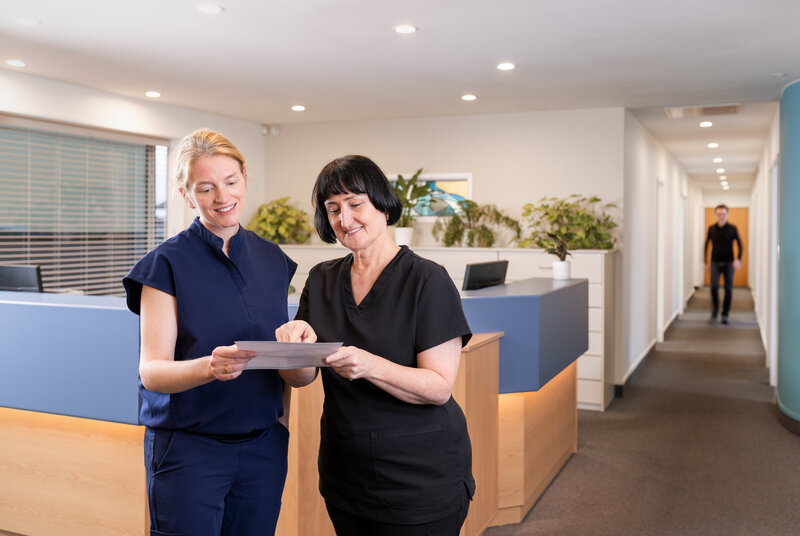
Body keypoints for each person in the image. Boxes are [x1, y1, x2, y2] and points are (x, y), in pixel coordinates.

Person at [122, 128, 313, 536]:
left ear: (244, 176)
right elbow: (152, 372)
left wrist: (300, 354)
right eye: (205, 188)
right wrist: (210, 367)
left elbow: (285, 368)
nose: (223, 197)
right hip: (190, 450)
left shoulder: (273, 259)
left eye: (230, 182)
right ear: (186, 194)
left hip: (263, 446)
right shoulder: (164, 264)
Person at [276, 155, 475, 535]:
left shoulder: (427, 280)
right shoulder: (321, 280)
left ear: (383, 205)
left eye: (355, 204)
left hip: (419, 478)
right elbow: (301, 379)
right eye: (332, 209)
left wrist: (369, 365)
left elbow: (438, 388)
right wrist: (294, 346)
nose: (344, 219)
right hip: (346, 473)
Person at [704, 204, 743, 324]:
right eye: (719, 214)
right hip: (715, 262)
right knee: (714, 287)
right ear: (716, 214)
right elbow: (706, 245)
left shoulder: (732, 228)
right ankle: (715, 310)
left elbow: (740, 245)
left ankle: (725, 314)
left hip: (728, 263)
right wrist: (705, 262)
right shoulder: (711, 228)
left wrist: (738, 259)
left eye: (723, 214)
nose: (721, 216)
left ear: (727, 214)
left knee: (728, 289)